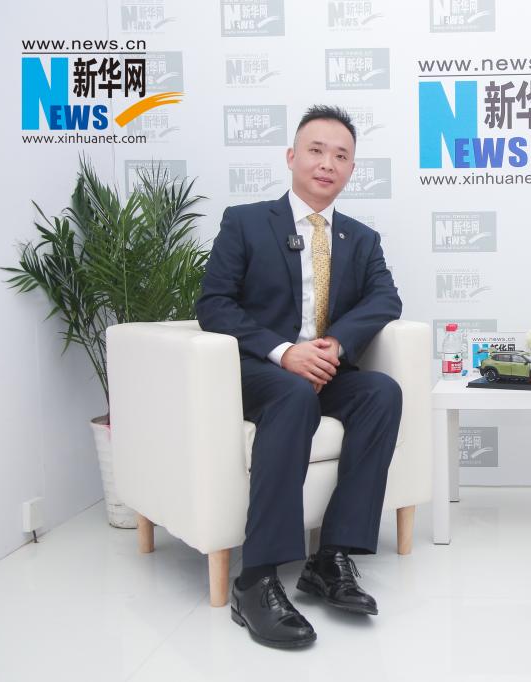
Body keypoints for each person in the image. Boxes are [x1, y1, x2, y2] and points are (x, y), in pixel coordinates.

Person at [197, 105, 403, 648]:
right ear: (292, 157)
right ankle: (255, 578)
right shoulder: (246, 222)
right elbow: (214, 304)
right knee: (293, 394)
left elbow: (386, 298)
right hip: (261, 372)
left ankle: (329, 559)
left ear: (352, 169)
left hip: (324, 369)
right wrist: (285, 352)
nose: (327, 163)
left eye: (341, 156)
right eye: (316, 150)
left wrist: (334, 345)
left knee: (381, 392)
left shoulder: (361, 239)